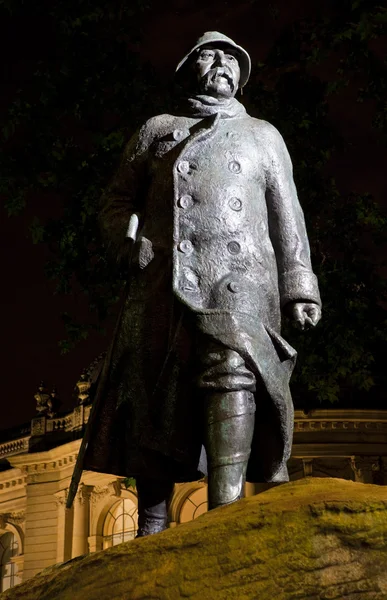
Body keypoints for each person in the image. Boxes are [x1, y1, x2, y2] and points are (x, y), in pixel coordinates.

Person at [68, 32, 321, 537]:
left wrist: (300, 286)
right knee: (154, 394)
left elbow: (287, 215)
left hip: (241, 277)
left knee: (233, 371)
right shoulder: (157, 130)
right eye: (211, 53)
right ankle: (152, 525)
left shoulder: (263, 135)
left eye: (233, 57)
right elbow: (115, 200)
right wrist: (130, 240)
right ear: (188, 66)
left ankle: (224, 513)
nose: (223, 62)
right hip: (163, 278)